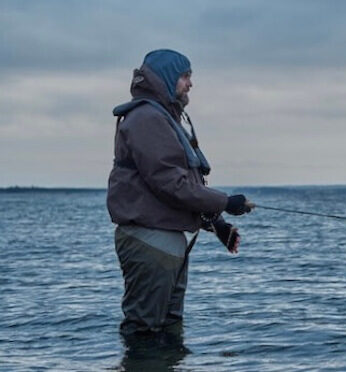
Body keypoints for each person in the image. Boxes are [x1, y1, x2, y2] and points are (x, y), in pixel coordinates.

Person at [106, 49, 253, 335]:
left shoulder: (163, 118)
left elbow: (181, 184)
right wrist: (225, 202)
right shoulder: (146, 118)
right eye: (185, 76)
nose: (190, 84)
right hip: (150, 241)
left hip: (166, 243)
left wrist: (218, 225)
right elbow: (170, 184)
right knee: (145, 333)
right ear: (167, 77)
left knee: (170, 331)